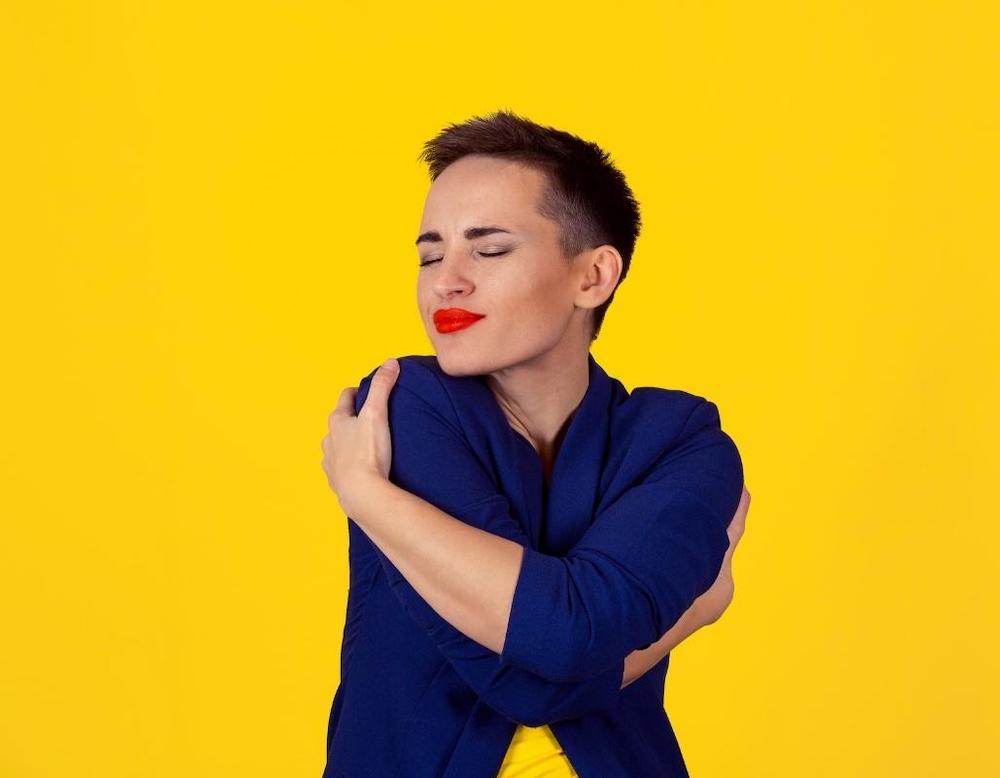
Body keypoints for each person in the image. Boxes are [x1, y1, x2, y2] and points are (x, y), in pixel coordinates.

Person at [320, 110, 750, 777]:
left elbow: (561, 645)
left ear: (593, 276)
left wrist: (365, 494)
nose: (446, 280)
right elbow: (536, 673)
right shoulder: (401, 406)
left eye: (489, 250)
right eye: (430, 255)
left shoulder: (683, 443)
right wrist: (692, 612)